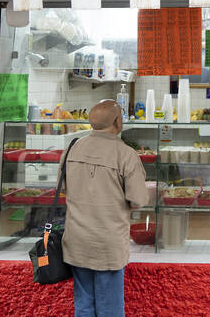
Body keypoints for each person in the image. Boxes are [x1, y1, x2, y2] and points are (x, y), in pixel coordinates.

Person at [59, 99, 149, 317]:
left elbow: (63, 189)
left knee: (83, 306)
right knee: (110, 310)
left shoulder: (71, 148)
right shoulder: (126, 154)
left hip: (77, 241)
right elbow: (139, 199)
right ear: (118, 122)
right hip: (107, 244)